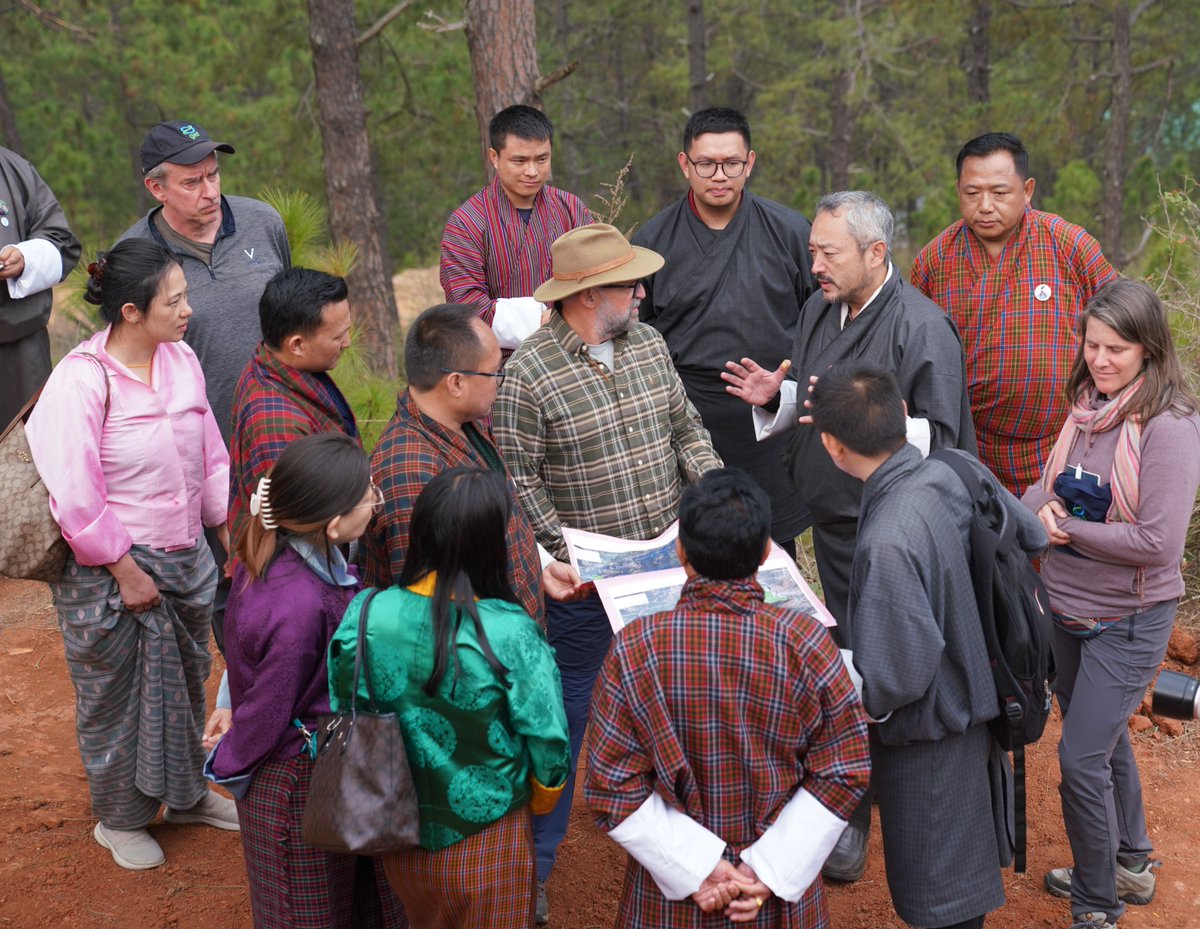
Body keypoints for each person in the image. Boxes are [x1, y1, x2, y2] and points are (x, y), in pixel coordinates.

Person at [723, 190, 974, 881]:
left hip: (895, 532)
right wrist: (777, 398)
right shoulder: (817, 309)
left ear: (875, 253)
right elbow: (817, 398)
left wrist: (866, 432)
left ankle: (869, 805)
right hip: (831, 518)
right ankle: (845, 795)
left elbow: (943, 442)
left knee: (885, 661)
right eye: (811, 251)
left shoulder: (922, 328)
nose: (816, 266)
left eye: (828, 253)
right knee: (843, 659)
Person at [494, 222, 722, 921]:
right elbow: (517, 477)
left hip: (669, 567)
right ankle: (534, 864)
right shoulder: (527, 374)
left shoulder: (649, 345)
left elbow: (686, 428)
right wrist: (561, 559)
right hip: (583, 591)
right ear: (590, 295)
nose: (642, 290)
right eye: (629, 282)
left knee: (681, 702)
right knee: (564, 718)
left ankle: (689, 840)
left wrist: (707, 497)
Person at [26, 238, 238, 871]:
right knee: (115, 698)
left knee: (186, 678)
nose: (187, 310)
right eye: (173, 300)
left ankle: (188, 795)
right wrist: (124, 569)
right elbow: (76, 493)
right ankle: (118, 820)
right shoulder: (81, 380)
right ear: (130, 311)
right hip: (110, 574)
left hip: (184, 557)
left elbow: (210, 453)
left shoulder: (181, 362)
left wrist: (225, 531)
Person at [809, 362, 1047, 929]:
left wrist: (828, 671)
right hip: (984, 706)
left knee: (937, 903)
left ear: (832, 445)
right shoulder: (954, 466)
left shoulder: (890, 538)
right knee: (964, 889)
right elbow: (1032, 534)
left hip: (931, 740)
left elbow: (895, 679)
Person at [586, 468, 870, 928]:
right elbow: (845, 768)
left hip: (671, 902)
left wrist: (699, 868)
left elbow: (610, 785)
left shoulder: (637, 647)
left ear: (679, 552)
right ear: (764, 552)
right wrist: (768, 868)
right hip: (777, 899)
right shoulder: (805, 642)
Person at [1020, 280, 1200, 929]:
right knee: (1102, 736)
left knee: (1079, 756)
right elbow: (1048, 483)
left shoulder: (1171, 424)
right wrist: (1034, 507)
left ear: (1149, 348)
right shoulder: (1086, 408)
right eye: (1092, 344)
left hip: (1129, 616)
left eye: (1115, 349)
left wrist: (1065, 528)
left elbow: (1159, 540)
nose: (1099, 359)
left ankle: (1097, 900)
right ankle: (1130, 862)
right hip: (1066, 605)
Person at [329, 467, 571, 929]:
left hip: (397, 822)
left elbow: (346, 700)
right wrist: (539, 799)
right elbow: (548, 740)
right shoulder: (510, 630)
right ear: (489, 544)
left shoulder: (367, 611)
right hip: (488, 832)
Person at [207, 432, 405, 929]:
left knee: (340, 898)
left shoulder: (284, 557)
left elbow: (246, 657)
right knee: (304, 911)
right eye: (369, 495)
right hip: (294, 782)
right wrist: (229, 765)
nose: (376, 500)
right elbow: (269, 710)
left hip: (322, 761)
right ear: (333, 522)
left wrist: (231, 698)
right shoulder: (297, 605)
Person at [120, 119, 292, 649]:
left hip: (281, 433)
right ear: (156, 188)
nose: (210, 191)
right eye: (191, 182)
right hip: (197, 451)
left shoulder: (263, 223)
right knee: (228, 582)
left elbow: (294, 317)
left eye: (213, 175)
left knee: (299, 565)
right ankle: (243, 697)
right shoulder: (136, 254)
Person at [632, 107, 816, 553]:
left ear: (749, 162)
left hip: (771, 418)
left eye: (731, 164)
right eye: (706, 164)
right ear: (684, 164)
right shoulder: (653, 241)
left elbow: (820, 320)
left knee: (773, 553)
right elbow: (637, 336)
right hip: (685, 416)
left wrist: (789, 387)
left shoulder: (790, 231)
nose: (719, 175)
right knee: (692, 545)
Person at [912, 131, 1117, 494]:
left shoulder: (1069, 245)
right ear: (958, 190)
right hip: (969, 447)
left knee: (1063, 543)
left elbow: (1127, 325)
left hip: (1066, 440)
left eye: (1000, 192)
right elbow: (913, 354)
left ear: (1027, 190)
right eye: (972, 193)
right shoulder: (934, 261)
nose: (985, 205)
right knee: (979, 544)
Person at [360, 303, 581, 619]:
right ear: (456, 383)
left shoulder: (465, 423)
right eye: (494, 372)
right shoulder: (409, 470)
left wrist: (541, 565)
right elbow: (428, 614)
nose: (500, 381)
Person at [440, 105, 592, 352]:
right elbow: (467, 308)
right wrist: (547, 320)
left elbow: (598, 278)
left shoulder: (572, 209)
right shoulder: (466, 224)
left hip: (574, 353)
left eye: (542, 159)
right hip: (501, 367)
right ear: (494, 157)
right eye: (519, 161)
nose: (532, 171)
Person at [227, 267, 357, 550]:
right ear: (297, 344)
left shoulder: (279, 363)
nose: (347, 343)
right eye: (338, 337)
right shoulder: (276, 423)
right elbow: (297, 529)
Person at [0, 145, 82, 426]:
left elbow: (63, 243)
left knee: (23, 459)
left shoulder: (14, 170)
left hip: (19, 354)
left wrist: (24, 258)